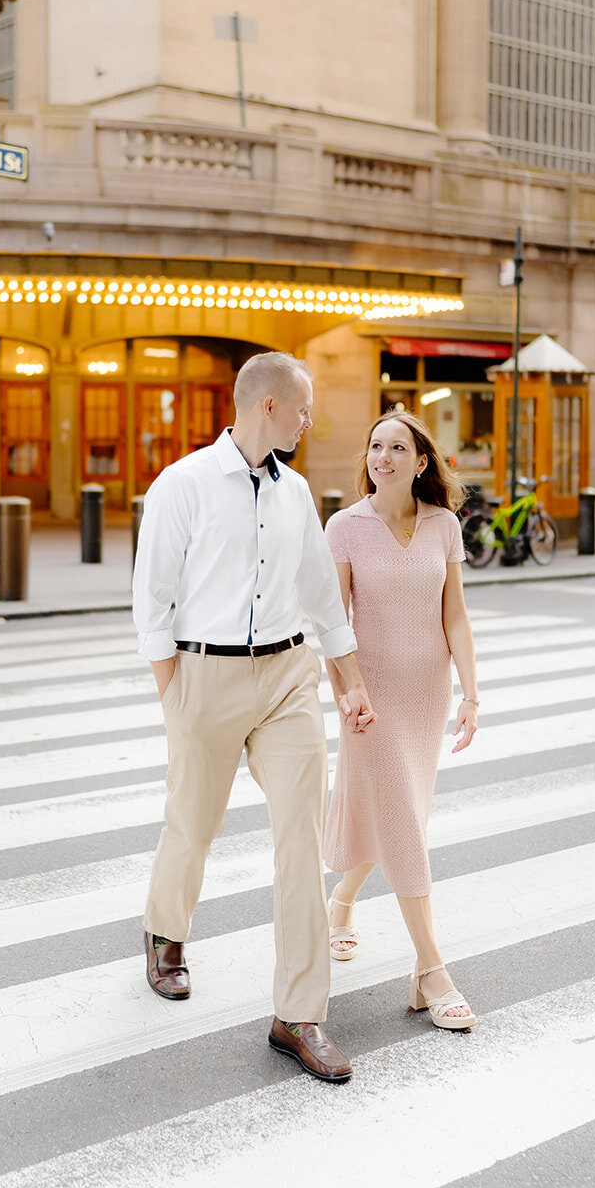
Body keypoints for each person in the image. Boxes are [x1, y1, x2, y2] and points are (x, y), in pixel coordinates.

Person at [132, 351, 376, 1084]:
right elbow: (153, 598)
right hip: (204, 672)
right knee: (192, 824)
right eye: (303, 408)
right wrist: (176, 693)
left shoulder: (295, 492)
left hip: (287, 677)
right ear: (267, 406)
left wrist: (350, 681)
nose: (310, 419)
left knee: (300, 837)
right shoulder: (182, 485)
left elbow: (319, 595)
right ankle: (165, 933)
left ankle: (297, 1014)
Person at [325, 411, 480, 1032]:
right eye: (374, 446)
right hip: (369, 696)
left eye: (397, 447)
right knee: (403, 818)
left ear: (421, 462)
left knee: (399, 812)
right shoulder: (344, 527)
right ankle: (430, 967)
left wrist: (472, 694)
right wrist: (350, 687)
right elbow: (334, 621)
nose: (382, 456)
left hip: (427, 695)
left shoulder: (444, 526)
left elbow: (457, 617)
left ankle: (340, 902)